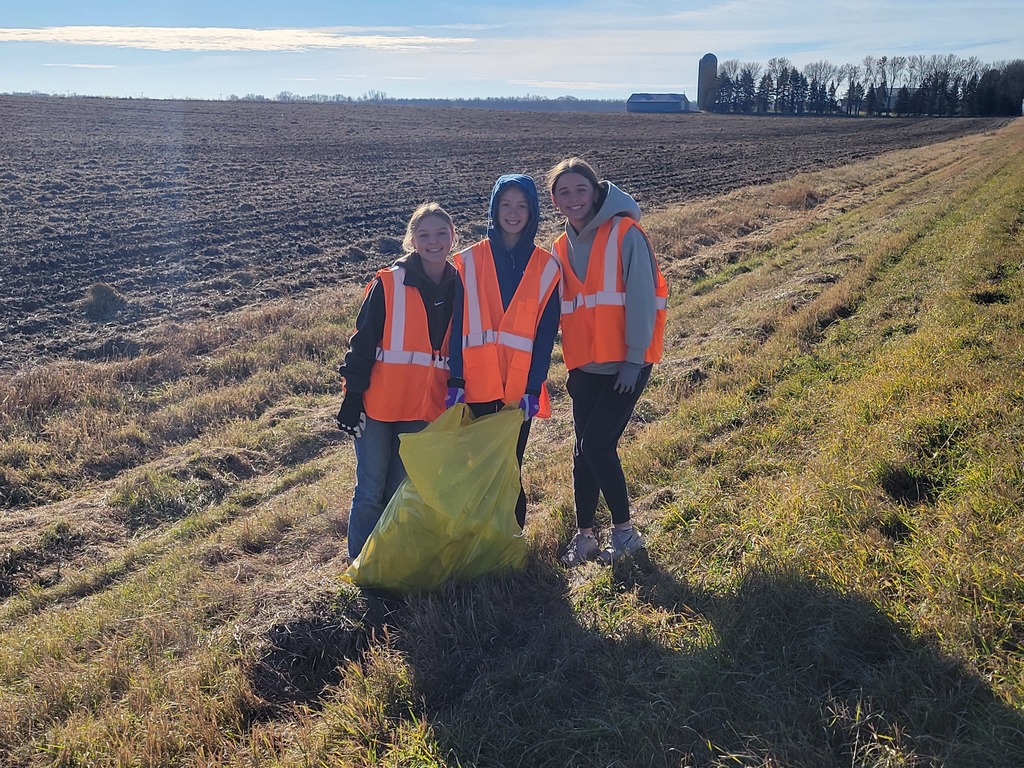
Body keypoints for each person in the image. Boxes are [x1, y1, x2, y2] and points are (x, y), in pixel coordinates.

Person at [546, 158, 668, 565]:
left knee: (597, 446)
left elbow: (642, 300)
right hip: (584, 368)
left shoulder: (625, 233)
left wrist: (633, 361)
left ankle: (625, 533)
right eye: (564, 192)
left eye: (581, 189)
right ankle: (585, 538)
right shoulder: (560, 246)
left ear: (596, 192)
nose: (573, 198)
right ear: (555, 200)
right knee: (583, 452)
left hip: (625, 367)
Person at [336, 202, 460, 561]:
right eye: (424, 235)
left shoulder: (462, 287)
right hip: (377, 405)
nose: (433, 241)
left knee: (398, 490)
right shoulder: (389, 282)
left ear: (453, 237)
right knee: (371, 490)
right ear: (412, 240)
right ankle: (360, 566)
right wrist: (352, 397)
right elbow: (362, 343)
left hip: (423, 408)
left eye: (441, 233)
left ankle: (386, 562)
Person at [446, 174, 561, 529]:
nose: (513, 213)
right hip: (475, 388)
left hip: (516, 392)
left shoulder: (547, 267)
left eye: (521, 206)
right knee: (475, 468)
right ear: (494, 210)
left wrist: (533, 386)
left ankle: (509, 544)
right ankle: (475, 542)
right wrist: (455, 379)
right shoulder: (466, 261)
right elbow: (456, 324)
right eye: (506, 205)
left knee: (511, 467)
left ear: (533, 212)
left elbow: (545, 335)